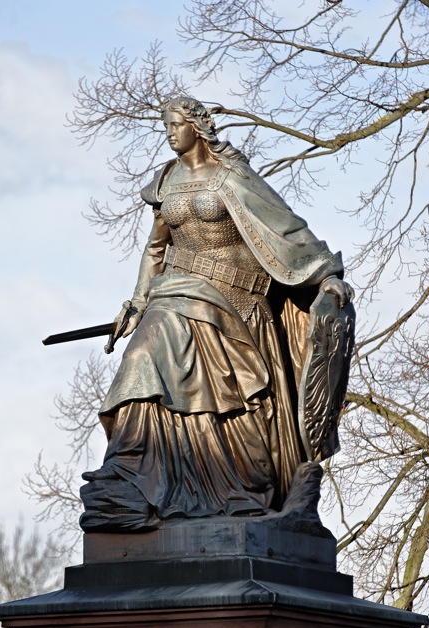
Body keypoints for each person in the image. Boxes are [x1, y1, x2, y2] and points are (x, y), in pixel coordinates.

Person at [80, 96, 353, 531]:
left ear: (196, 127)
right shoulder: (166, 181)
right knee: (139, 359)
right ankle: (129, 473)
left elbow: (286, 227)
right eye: (165, 126)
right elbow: (155, 249)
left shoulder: (232, 176)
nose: (169, 133)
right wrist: (135, 303)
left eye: (175, 124)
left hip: (237, 302)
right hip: (174, 293)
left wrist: (326, 276)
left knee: (233, 407)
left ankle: (231, 489)